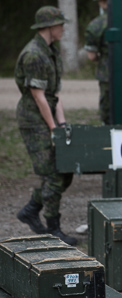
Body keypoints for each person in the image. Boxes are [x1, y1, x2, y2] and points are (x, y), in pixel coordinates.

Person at [14, 6, 77, 246]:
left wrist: (61, 126)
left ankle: (31, 209)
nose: (63, 28)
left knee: (64, 170)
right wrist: (52, 128)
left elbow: (54, 95)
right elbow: (39, 96)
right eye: (60, 24)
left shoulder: (51, 52)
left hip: (48, 117)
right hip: (34, 121)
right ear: (49, 27)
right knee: (53, 173)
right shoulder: (34, 55)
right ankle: (53, 228)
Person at [85, 0, 110, 125]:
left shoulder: (96, 25)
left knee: (108, 110)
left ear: (101, 3)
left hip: (107, 73)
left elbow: (91, 56)